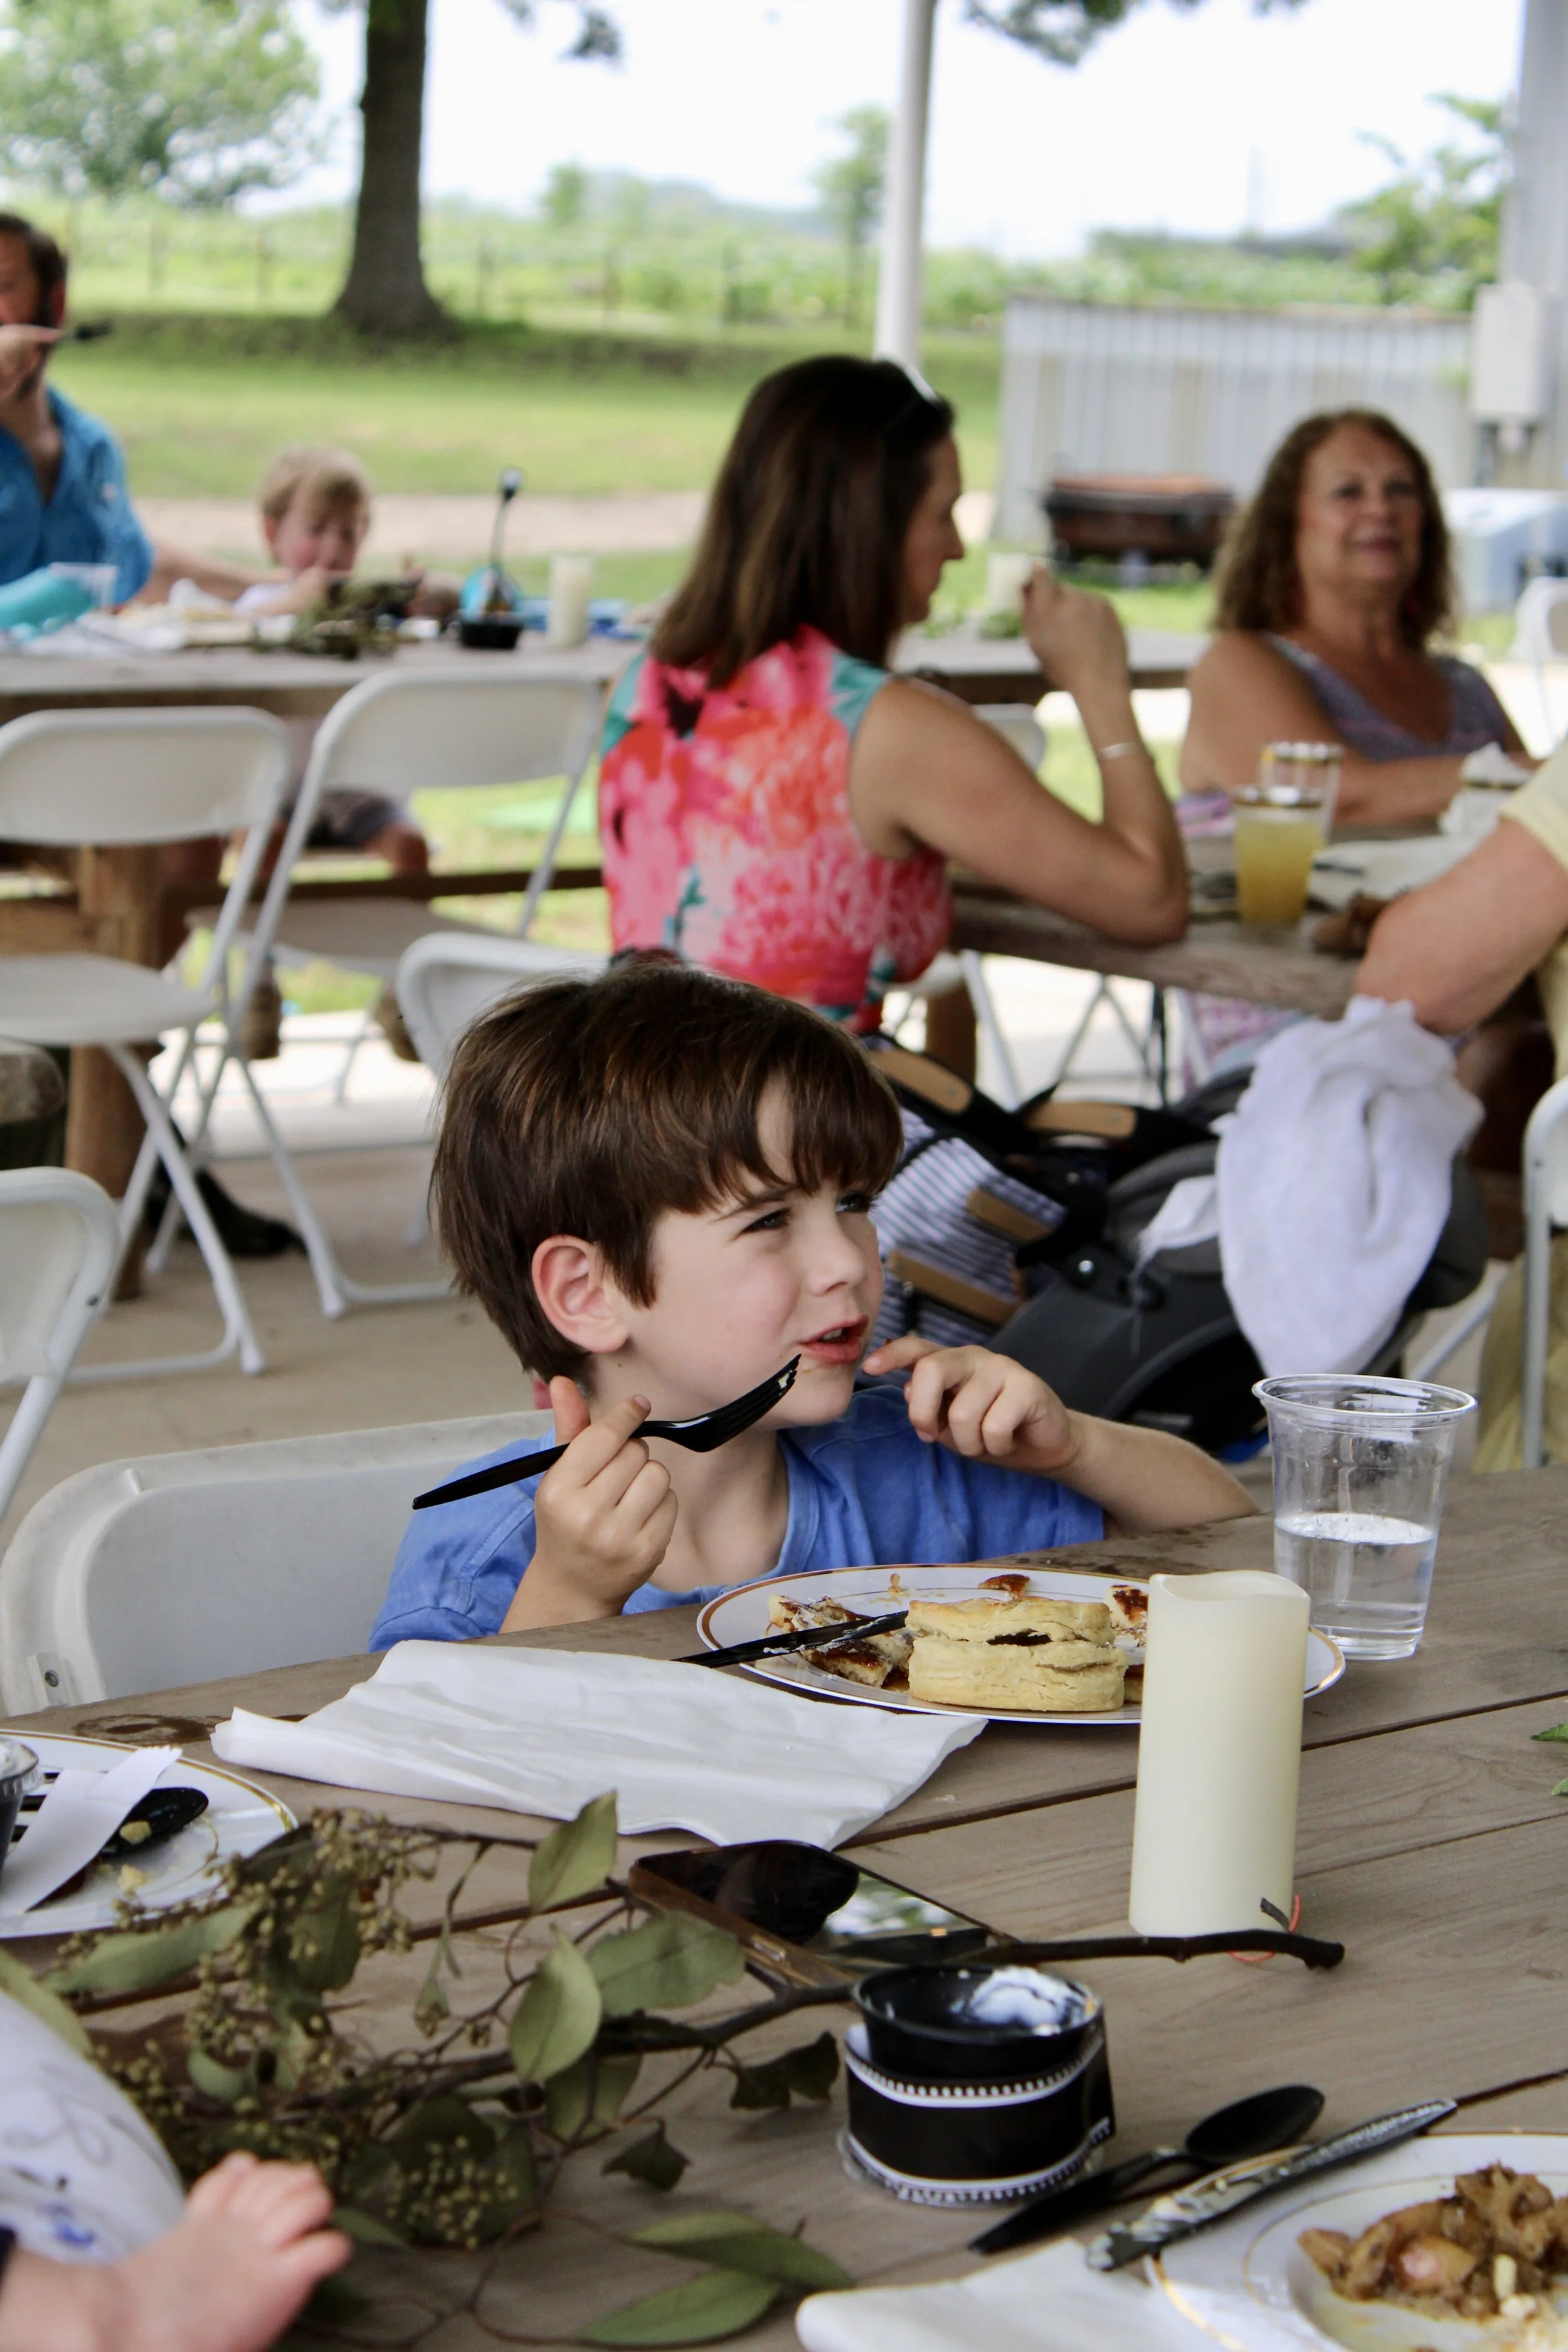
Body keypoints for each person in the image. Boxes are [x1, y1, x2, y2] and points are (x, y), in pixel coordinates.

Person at [371, 960, 1253, 1643]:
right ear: (588, 1293)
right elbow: (418, 1780)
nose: (848, 1261)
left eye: (854, 1203)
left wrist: (1076, 1448)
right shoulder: (488, 1556)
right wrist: (569, 1595)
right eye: (767, 1221)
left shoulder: (919, 1469)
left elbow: (1232, 1550)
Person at [598, 356, 1187, 1064]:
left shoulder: (639, 687)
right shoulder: (888, 729)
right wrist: (1099, 686)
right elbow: (1151, 902)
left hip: (642, 1106)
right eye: (943, 513)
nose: (958, 547)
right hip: (799, 1120)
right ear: (867, 524)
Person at [1182, 408, 1528, 825]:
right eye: (1348, 492)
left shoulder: (1467, 688)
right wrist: (1536, 777)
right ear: (1286, 525)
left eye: (1400, 490)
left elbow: (1545, 821)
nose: (1381, 509)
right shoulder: (1238, 663)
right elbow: (1337, 799)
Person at [0, 215, 152, 603]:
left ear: (55, 305)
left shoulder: (94, 448)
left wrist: (273, 587)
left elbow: (136, 568)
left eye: (2, 286)